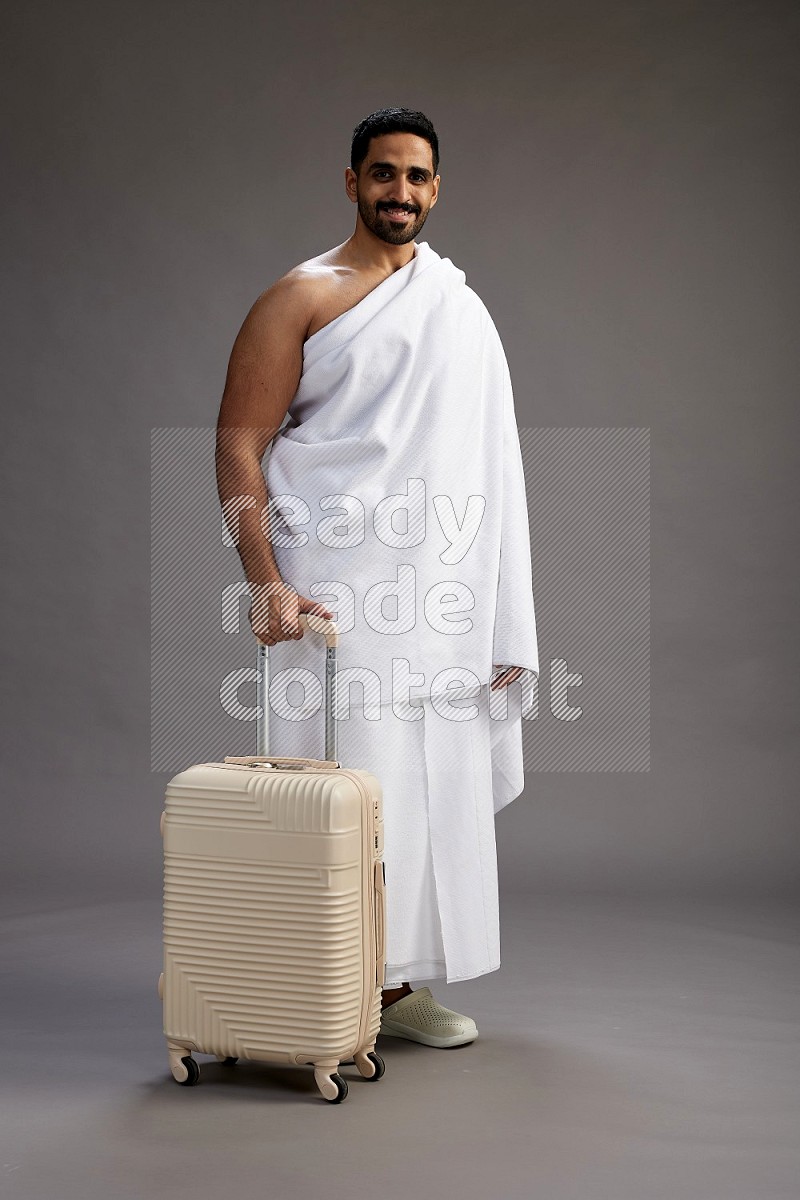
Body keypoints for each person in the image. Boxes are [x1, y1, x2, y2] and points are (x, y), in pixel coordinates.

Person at [215, 108, 540, 1049]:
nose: (401, 192)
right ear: (351, 181)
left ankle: (397, 987)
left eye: (418, 177)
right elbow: (240, 444)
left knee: (425, 788)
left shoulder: (457, 305)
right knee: (336, 787)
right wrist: (264, 580)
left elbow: (490, 468)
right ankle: (319, 985)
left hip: (440, 597)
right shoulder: (301, 296)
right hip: (336, 590)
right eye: (384, 173)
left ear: (436, 189)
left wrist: (501, 612)